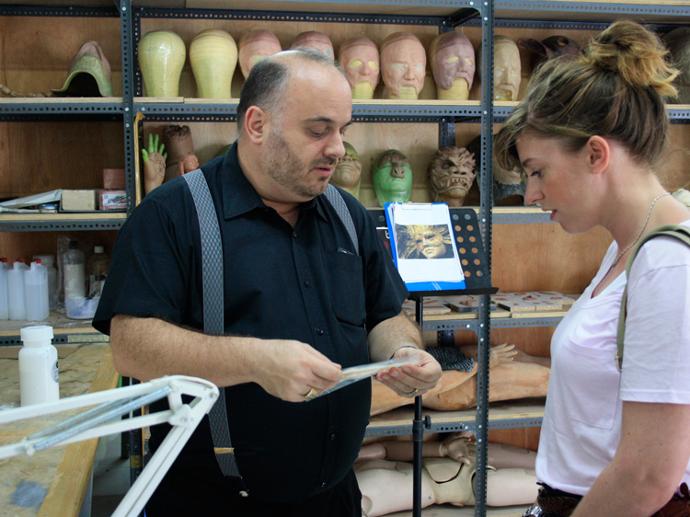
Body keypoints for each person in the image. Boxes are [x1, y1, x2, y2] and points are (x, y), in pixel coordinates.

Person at [93, 49, 442, 517]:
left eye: (343, 131)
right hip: (213, 502)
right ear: (257, 125)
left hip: (334, 496)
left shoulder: (348, 216)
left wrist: (401, 353)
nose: (337, 148)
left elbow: (383, 313)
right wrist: (255, 361)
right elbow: (131, 345)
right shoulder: (173, 214)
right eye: (319, 130)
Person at [494, 20, 690, 516]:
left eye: (539, 171)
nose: (532, 193)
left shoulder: (667, 264)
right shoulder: (627, 248)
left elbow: (649, 476)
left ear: (596, 153)